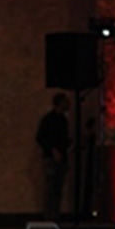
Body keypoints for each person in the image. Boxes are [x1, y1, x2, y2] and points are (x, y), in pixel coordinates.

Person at [35, 93, 71, 221]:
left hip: (61, 157)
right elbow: (40, 138)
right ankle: (49, 216)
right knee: (51, 189)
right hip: (51, 158)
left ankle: (54, 215)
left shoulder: (63, 120)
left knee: (57, 189)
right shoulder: (49, 119)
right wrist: (53, 150)